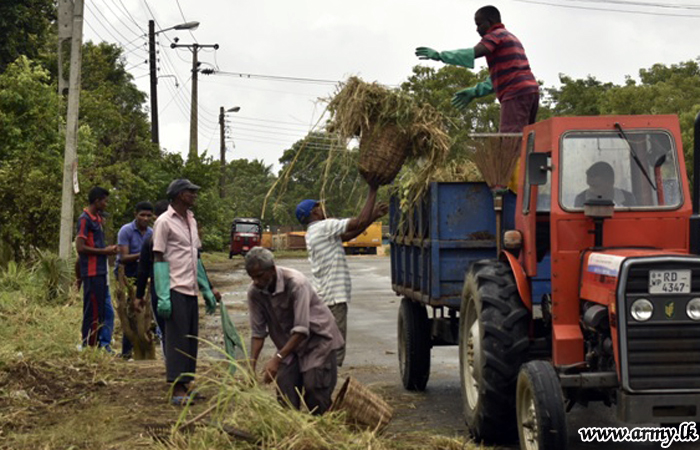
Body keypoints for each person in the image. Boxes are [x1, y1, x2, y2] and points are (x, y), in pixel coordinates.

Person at [295, 184, 388, 366]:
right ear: (313, 213)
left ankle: (324, 378)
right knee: (336, 344)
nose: (322, 209)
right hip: (333, 297)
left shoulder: (313, 233)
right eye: (318, 207)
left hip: (325, 295)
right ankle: (329, 383)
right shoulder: (323, 227)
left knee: (327, 341)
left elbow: (348, 235)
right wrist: (372, 191)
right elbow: (358, 222)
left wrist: (373, 217)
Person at [245, 247, 343, 415]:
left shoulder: (296, 283)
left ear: (271, 270)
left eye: (260, 276)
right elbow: (258, 333)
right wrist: (250, 368)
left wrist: (277, 358)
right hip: (288, 345)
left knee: (315, 388)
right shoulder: (255, 293)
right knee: (285, 389)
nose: (256, 281)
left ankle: (321, 424)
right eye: (252, 277)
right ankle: (292, 429)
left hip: (317, 340)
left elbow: (301, 330)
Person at [416, 5, 539, 132]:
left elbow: (474, 52)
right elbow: (499, 78)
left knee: (510, 139)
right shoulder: (511, 37)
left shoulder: (495, 35)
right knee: (525, 137)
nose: (477, 29)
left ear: (490, 22)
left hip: (515, 92)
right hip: (530, 91)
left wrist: (440, 56)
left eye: (479, 24)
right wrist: (474, 91)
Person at [153, 179, 219, 405]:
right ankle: (176, 387)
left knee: (190, 339)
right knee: (177, 340)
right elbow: (158, 256)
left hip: (190, 288)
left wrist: (206, 288)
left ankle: (187, 382)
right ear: (180, 195)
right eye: (191, 192)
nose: (194, 195)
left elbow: (195, 257)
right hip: (174, 287)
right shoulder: (164, 222)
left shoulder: (191, 220)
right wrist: (162, 294)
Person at [76, 186, 119, 350]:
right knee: (92, 309)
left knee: (100, 310)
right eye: (105, 201)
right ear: (97, 201)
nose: (106, 204)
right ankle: (88, 344)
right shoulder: (84, 219)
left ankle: (97, 344)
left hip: (101, 271)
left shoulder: (98, 219)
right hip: (92, 271)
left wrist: (108, 250)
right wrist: (104, 251)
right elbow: (80, 247)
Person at [114, 201, 154, 358]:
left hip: (144, 273)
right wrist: (144, 254)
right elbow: (123, 257)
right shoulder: (126, 230)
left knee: (146, 310)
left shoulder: (152, 232)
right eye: (142, 215)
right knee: (130, 311)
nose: (145, 218)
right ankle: (126, 351)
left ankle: (144, 347)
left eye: (148, 215)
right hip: (127, 273)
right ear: (135, 215)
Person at [135, 200, 170, 347]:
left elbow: (142, 270)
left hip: (167, 289)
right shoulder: (151, 241)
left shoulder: (151, 239)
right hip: (165, 288)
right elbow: (143, 270)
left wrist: (139, 296)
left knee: (167, 329)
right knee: (166, 329)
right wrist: (139, 295)